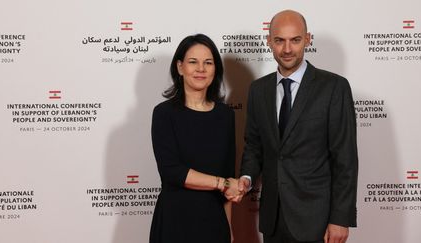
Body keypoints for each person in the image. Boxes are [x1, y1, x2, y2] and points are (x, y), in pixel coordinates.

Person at [235, 10, 358, 243]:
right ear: (269, 41)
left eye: (296, 40)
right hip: (273, 219)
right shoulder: (258, 90)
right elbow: (254, 145)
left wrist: (340, 218)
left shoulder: (334, 87)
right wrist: (247, 178)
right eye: (280, 40)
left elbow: (345, 158)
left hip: (317, 220)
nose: (287, 49)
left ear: (308, 39)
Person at [149, 33, 238, 243]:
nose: (201, 69)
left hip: (214, 223)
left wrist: (229, 229)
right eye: (193, 62)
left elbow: (228, 173)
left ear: (215, 69)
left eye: (208, 62)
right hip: (174, 223)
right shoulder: (164, 113)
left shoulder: (225, 115)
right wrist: (222, 183)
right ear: (180, 67)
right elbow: (172, 171)